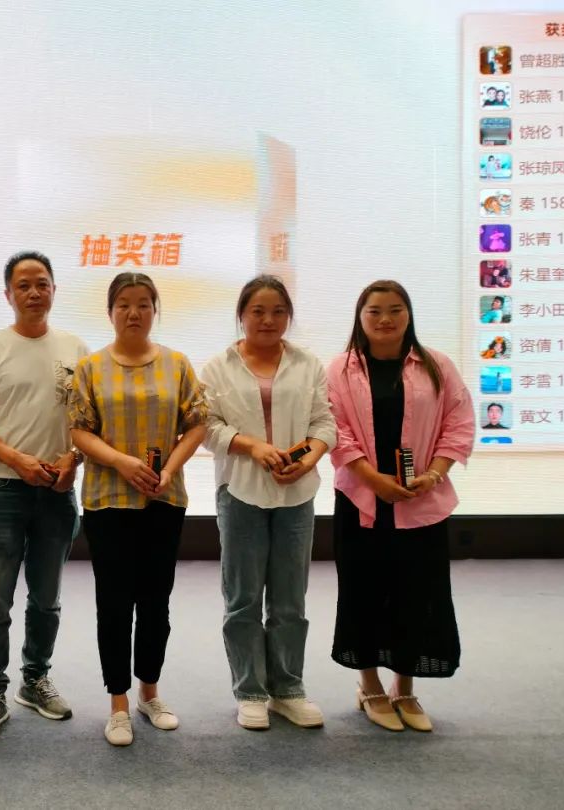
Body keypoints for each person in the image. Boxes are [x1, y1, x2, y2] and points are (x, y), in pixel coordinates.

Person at [327, 280, 475, 733]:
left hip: (421, 500)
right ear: (360, 317)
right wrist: (374, 480)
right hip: (362, 500)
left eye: (395, 310)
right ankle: (370, 685)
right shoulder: (340, 369)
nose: (385, 319)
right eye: (374, 311)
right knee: (364, 592)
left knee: (416, 594)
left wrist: (433, 475)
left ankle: (404, 688)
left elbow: (459, 423)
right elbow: (335, 430)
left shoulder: (437, 366)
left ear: (409, 315)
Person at [69, 272, 208, 746]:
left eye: (144, 303)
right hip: (107, 501)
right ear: (110, 311)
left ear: (155, 310)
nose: (134, 312)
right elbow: (79, 430)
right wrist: (122, 462)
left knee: (155, 601)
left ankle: (150, 692)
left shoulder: (177, 364)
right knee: (113, 602)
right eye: (124, 304)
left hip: (162, 499)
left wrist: (169, 468)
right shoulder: (89, 367)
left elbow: (197, 423)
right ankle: (118, 703)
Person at [0, 250, 87, 743]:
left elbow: (86, 421)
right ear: (8, 294)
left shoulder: (76, 349)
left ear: (54, 289)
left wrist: (73, 460)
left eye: (42, 283)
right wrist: (16, 460)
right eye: (24, 285)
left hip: (57, 489)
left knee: (47, 599)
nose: (34, 292)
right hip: (1, 489)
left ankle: (35, 680)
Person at [200, 275, 336, 731]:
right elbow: (207, 428)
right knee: (242, 598)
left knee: (289, 598)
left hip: (297, 493)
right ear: (242, 314)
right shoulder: (218, 366)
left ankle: (288, 689)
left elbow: (325, 424)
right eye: (257, 311)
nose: (268, 320)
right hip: (240, 491)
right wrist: (253, 446)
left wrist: (309, 458)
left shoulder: (307, 364)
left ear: (288, 317)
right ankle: (250, 691)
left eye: (278, 311)